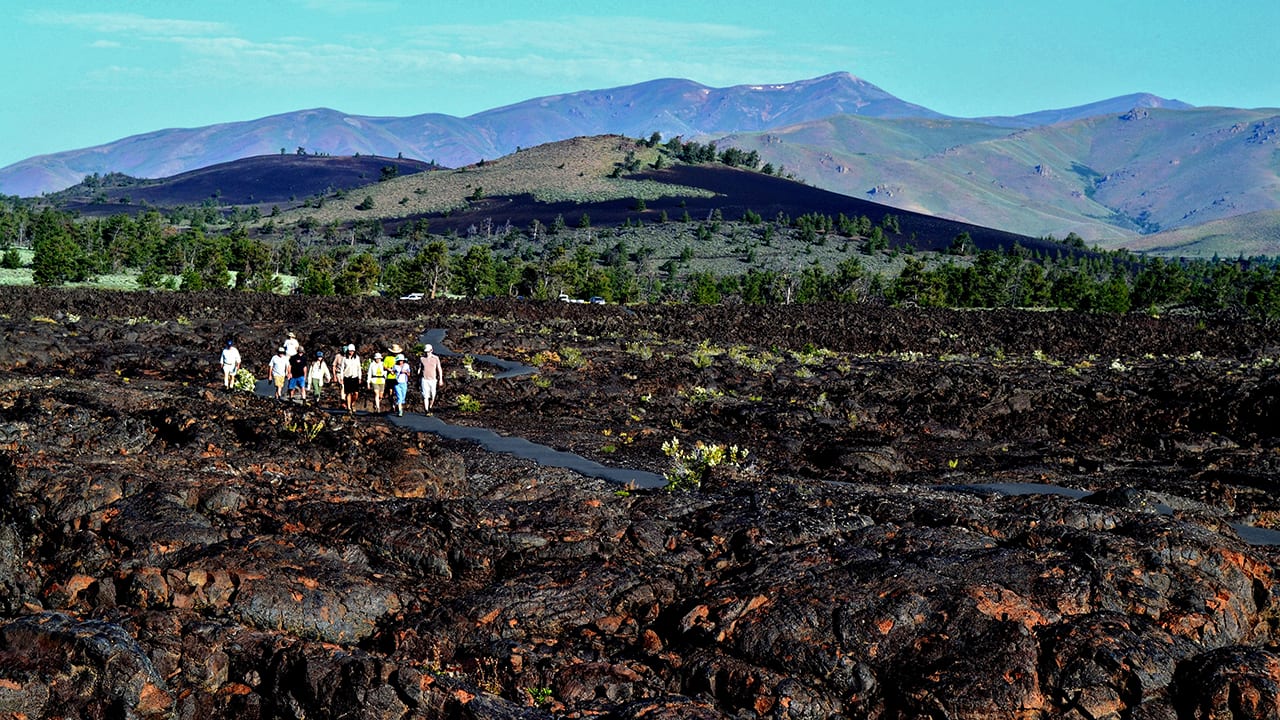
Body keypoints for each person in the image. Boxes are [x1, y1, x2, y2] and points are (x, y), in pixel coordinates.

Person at [338, 344, 363, 412]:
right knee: (348, 393)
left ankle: (352, 402)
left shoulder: (357, 358)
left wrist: (360, 377)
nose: (351, 352)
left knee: (356, 393)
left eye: (352, 351)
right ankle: (349, 408)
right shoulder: (344, 358)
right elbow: (342, 369)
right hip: (347, 377)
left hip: (355, 377)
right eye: (350, 351)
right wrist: (341, 378)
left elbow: (359, 368)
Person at [419, 343, 443, 413]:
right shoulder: (422, 358)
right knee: (425, 396)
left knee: (433, 395)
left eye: (428, 352)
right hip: (425, 379)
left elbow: (439, 368)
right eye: (426, 352)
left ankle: (430, 406)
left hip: (433, 380)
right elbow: (420, 368)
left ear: (431, 350)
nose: (427, 353)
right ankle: (426, 410)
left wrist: (440, 379)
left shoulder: (436, 358)